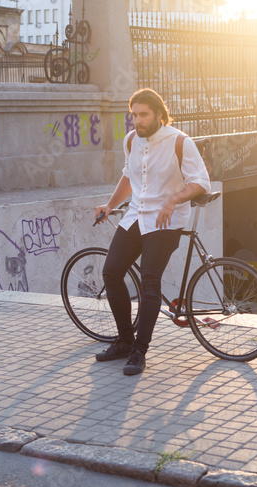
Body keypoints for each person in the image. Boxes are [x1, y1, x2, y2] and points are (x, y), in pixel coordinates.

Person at [95, 88, 211, 376]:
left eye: (143, 114)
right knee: (111, 272)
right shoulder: (132, 140)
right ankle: (124, 341)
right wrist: (110, 205)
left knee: (149, 282)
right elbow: (128, 175)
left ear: (159, 114)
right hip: (136, 216)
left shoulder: (180, 142)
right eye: (134, 115)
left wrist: (173, 200)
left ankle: (139, 351)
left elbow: (201, 183)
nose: (137, 120)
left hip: (165, 221)